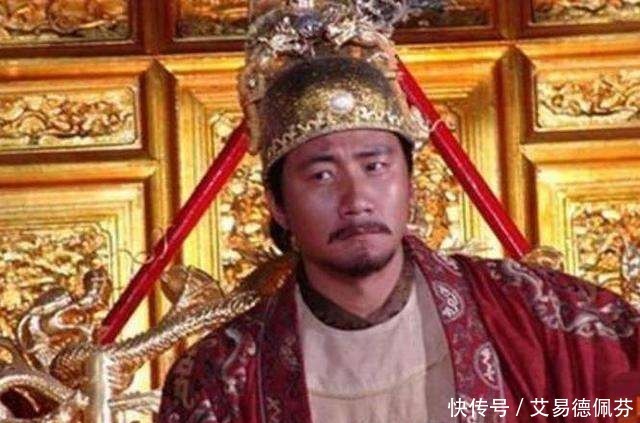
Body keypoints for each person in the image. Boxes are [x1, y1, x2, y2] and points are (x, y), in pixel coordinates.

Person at [159, 2, 640, 422]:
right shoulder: (220, 379)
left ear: (410, 183)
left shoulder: (535, 317)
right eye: (321, 175)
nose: (356, 198)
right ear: (277, 205)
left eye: (375, 166)